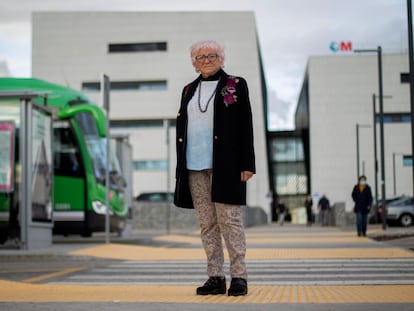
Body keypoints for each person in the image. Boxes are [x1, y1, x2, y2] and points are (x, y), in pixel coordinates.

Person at [174, 40, 255, 296]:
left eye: (212, 55)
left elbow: (246, 125)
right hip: (194, 167)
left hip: (227, 166)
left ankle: (239, 277)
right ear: (193, 62)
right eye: (200, 56)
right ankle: (215, 276)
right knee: (207, 224)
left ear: (221, 58)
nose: (206, 60)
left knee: (230, 222)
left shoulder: (236, 85)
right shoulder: (188, 89)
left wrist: (247, 163)